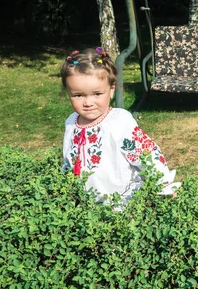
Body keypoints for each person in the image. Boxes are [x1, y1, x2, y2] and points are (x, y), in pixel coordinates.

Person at [60, 47, 180, 205]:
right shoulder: (71, 122)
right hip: (87, 204)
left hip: (123, 202)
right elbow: (69, 157)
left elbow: (147, 155)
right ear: (69, 92)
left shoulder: (118, 123)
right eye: (78, 95)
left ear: (111, 90)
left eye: (97, 94)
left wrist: (164, 185)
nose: (88, 102)